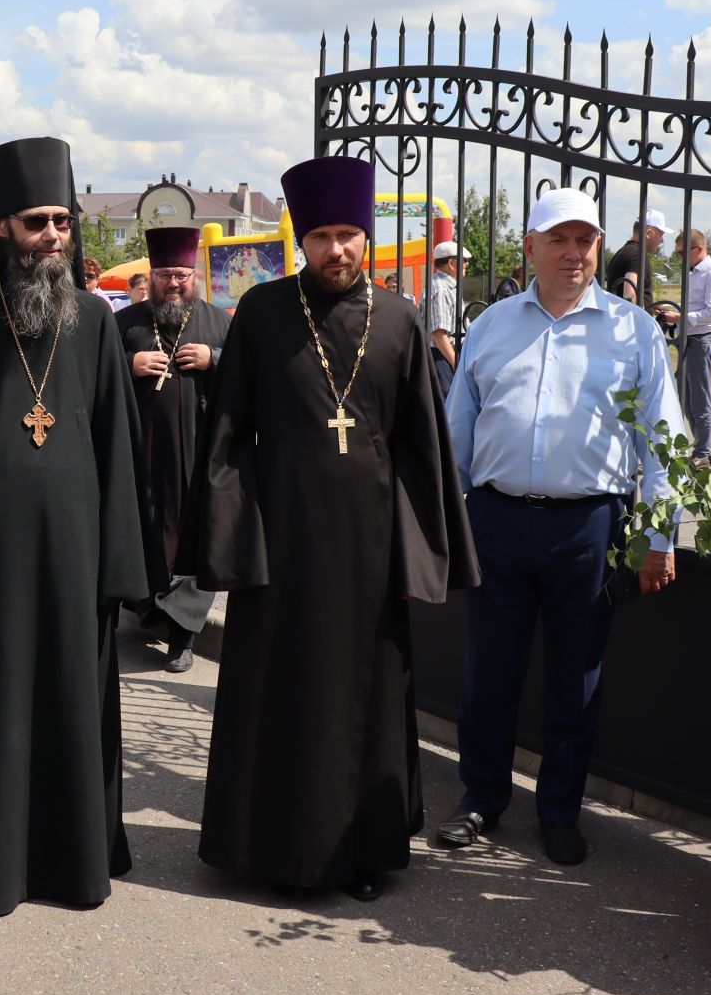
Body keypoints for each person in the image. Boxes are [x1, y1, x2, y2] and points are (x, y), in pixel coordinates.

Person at [184, 157, 475, 901]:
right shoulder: (263, 314)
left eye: (348, 234)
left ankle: (363, 852)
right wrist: (232, 541)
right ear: (302, 241)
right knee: (278, 696)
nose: (336, 250)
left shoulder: (402, 320)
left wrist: (418, 560)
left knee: (365, 703)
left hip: (371, 555)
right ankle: (265, 849)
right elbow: (226, 436)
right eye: (321, 236)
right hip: (280, 547)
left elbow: (423, 453)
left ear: (366, 238)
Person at [0, 136, 153, 918]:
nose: (52, 235)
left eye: (63, 222)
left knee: (73, 703)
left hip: (76, 561)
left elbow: (120, 451)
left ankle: (73, 862)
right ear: (1, 228)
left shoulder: (97, 326)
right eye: (37, 222)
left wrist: (116, 570)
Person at [438, 187, 683, 866]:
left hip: (589, 526)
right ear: (531, 247)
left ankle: (559, 810)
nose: (574, 253)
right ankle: (480, 799)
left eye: (586, 240)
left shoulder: (632, 329)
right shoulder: (491, 325)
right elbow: (458, 428)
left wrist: (661, 538)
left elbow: (664, 440)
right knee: (489, 671)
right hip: (496, 519)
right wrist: (441, 526)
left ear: (599, 247)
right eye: (560, 239)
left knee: (575, 677)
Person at [117, 225, 228, 674]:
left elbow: (249, 376)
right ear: (152, 275)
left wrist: (214, 359)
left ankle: (183, 636)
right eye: (165, 274)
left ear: (194, 274)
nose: (174, 282)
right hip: (139, 453)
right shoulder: (125, 323)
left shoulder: (219, 323)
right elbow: (91, 374)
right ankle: (149, 612)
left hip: (198, 454)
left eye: (182, 273)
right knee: (142, 531)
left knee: (191, 538)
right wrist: (130, 363)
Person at [673, 229, 711, 467]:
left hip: (703, 339)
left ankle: (703, 451)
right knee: (684, 397)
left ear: (699, 249)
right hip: (690, 338)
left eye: (683, 253)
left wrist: (681, 316)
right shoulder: (693, 272)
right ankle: (700, 448)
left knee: (699, 399)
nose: (680, 258)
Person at [422, 239, 462, 398]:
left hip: (444, 356)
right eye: (464, 261)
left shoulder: (444, 286)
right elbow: (438, 333)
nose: (467, 265)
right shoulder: (441, 288)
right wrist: (456, 364)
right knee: (448, 411)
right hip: (441, 357)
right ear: (452, 263)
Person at [604, 209, 666, 306]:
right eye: (661, 234)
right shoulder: (637, 254)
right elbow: (629, 295)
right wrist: (640, 319)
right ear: (649, 233)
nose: (662, 240)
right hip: (632, 320)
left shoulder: (625, 251)